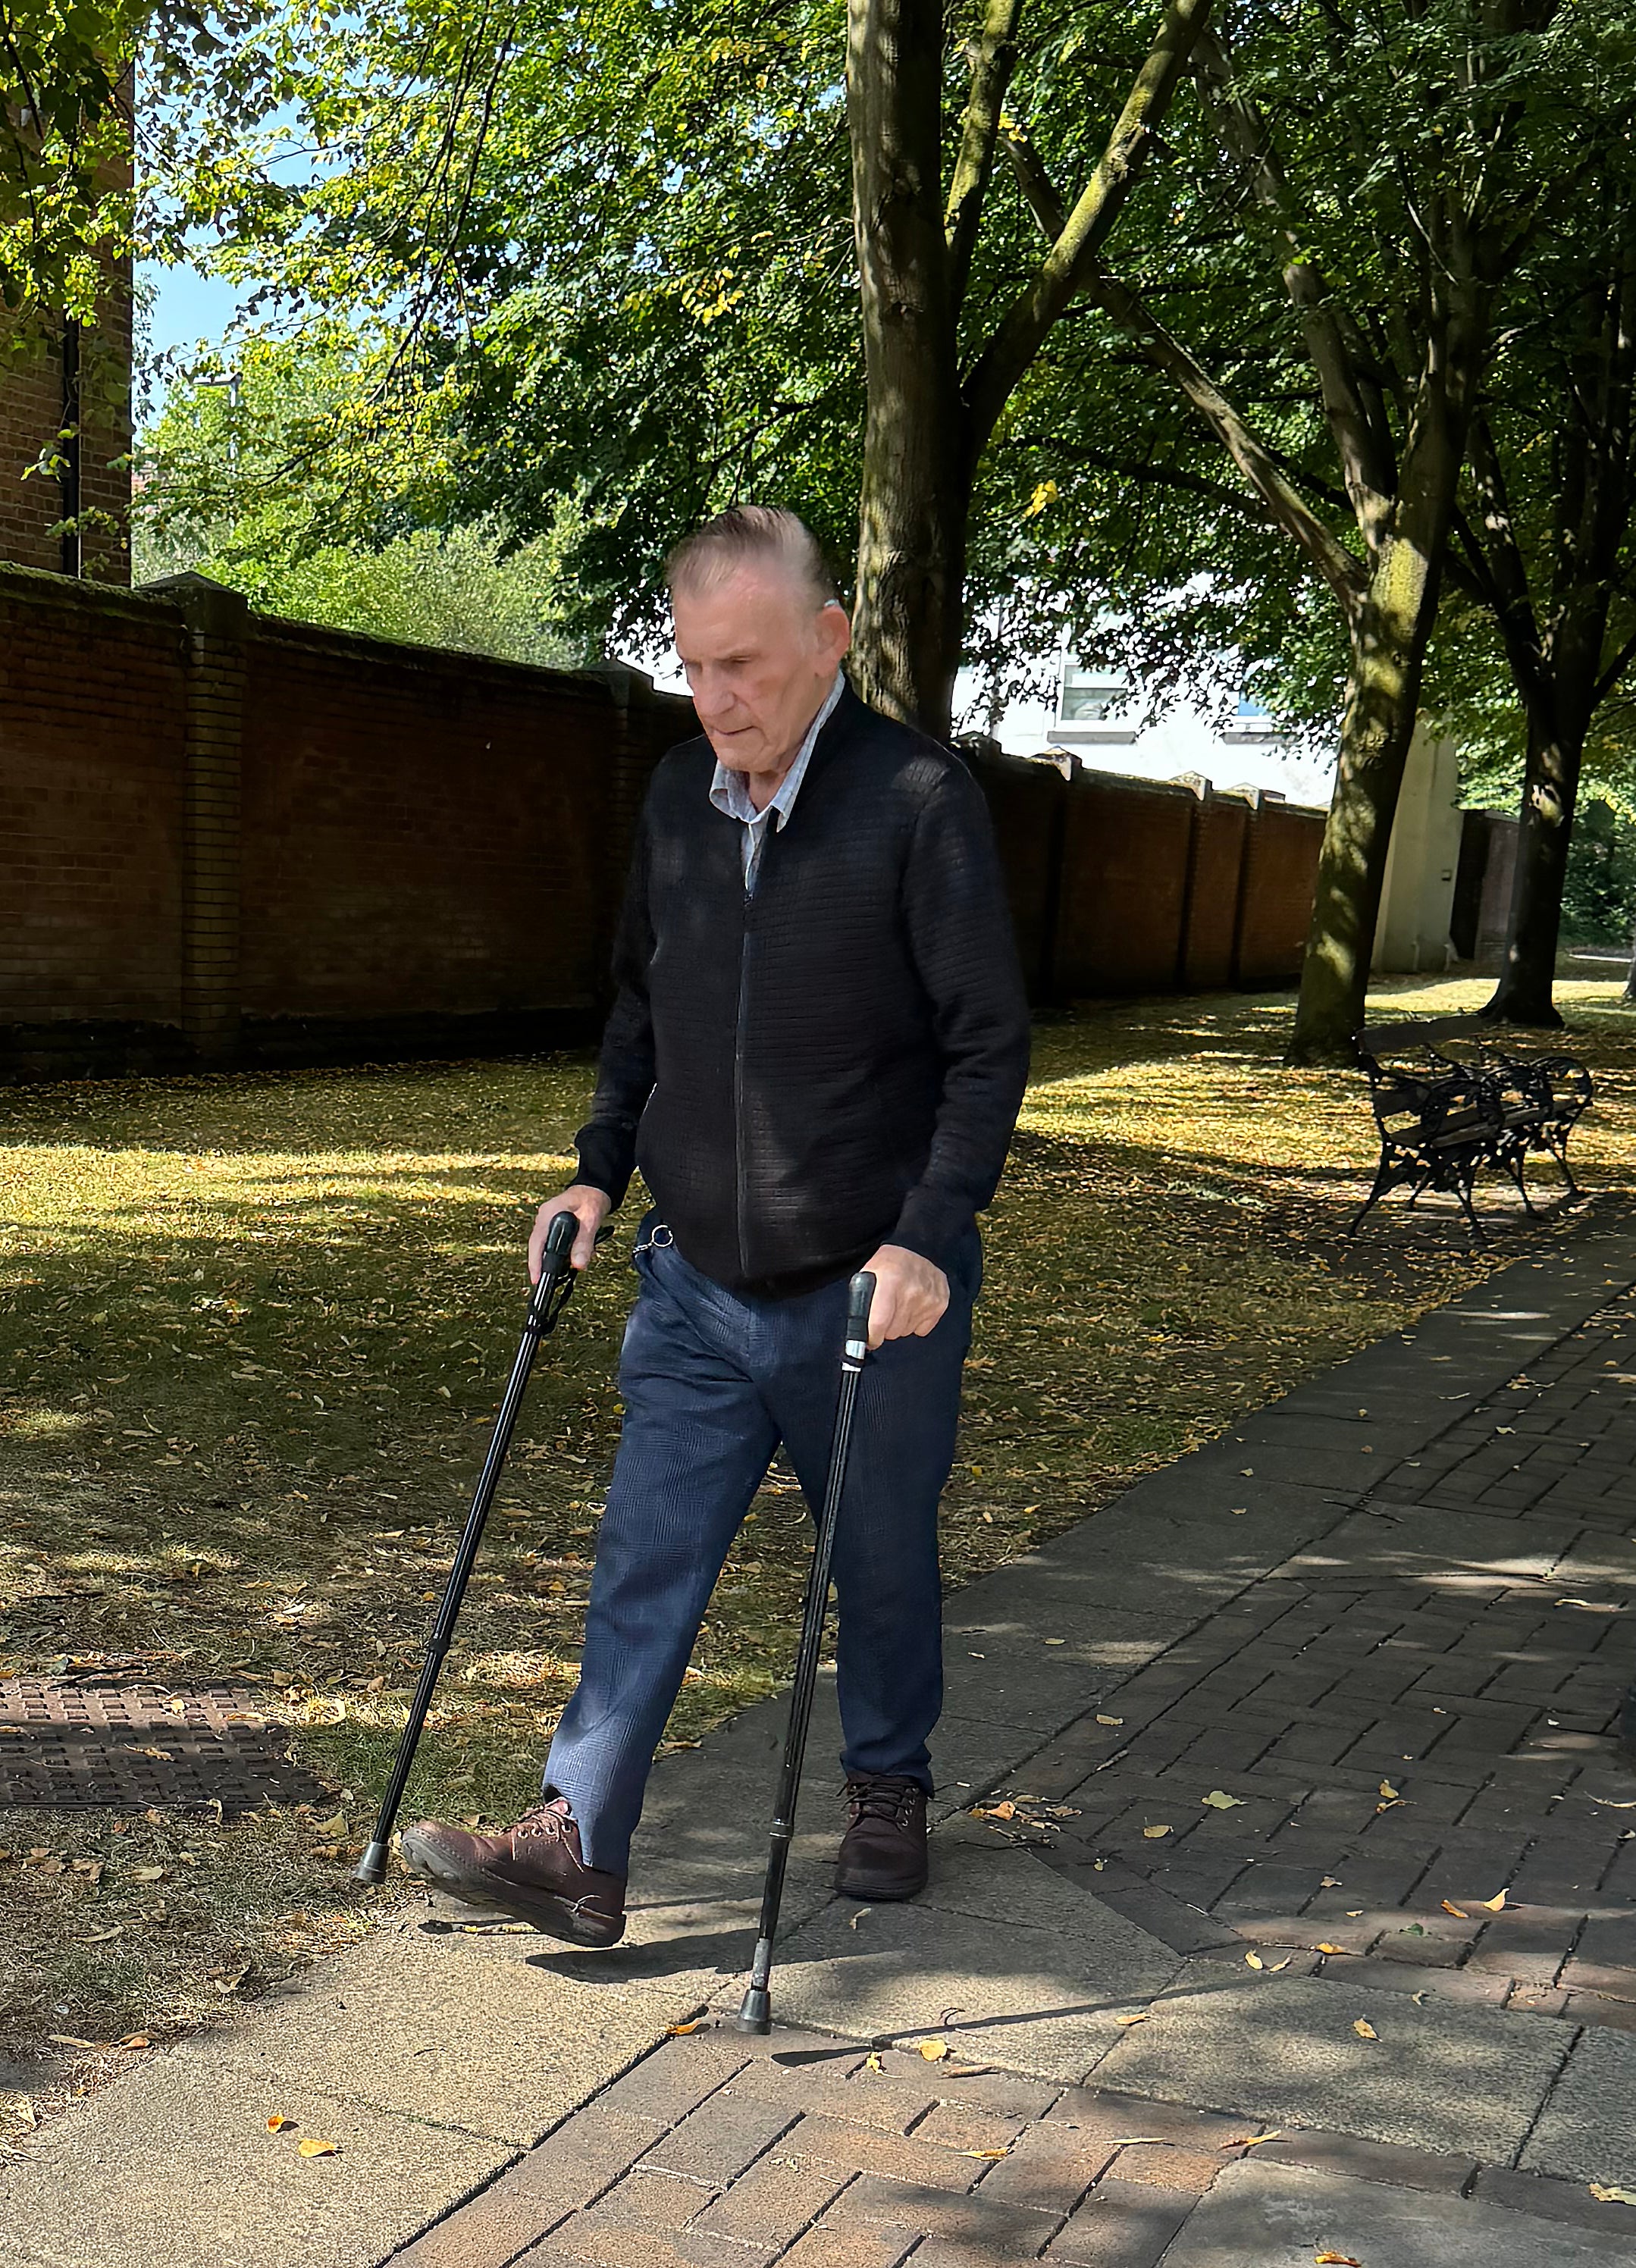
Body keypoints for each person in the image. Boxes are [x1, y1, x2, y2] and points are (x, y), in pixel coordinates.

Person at [400, 506, 1030, 1945]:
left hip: (869, 1287)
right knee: (643, 1557)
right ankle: (577, 1841)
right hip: (690, 1282)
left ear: (829, 640)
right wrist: (595, 1171)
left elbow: (987, 1044)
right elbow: (644, 1005)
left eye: (741, 665)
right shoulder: (680, 793)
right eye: (692, 668)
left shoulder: (920, 801)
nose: (716, 699)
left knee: (874, 1559)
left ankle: (885, 1782)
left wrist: (932, 1230)